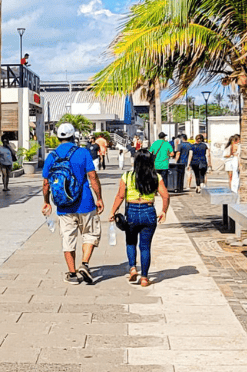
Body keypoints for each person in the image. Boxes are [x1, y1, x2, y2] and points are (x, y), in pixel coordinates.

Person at [42, 122, 104, 285]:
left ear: (58, 137)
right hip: (85, 203)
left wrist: (46, 202)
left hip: (64, 206)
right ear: (73, 136)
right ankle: (84, 264)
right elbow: (92, 177)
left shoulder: (52, 156)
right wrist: (99, 197)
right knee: (90, 234)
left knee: (68, 239)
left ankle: (72, 273)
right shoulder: (82, 152)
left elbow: (46, 183)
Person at [110, 148, 169, 287]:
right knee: (145, 246)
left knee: (131, 242)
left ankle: (132, 269)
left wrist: (113, 211)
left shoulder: (127, 176)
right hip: (149, 211)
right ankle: (144, 278)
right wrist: (164, 211)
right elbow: (165, 195)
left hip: (132, 211)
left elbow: (120, 196)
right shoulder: (156, 177)